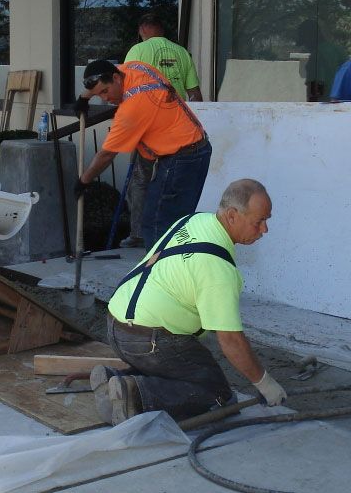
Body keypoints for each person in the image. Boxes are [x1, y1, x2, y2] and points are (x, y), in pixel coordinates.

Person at [90, 179, 287, 424]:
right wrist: (265, 384)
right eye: (259, 222)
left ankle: (114, 379)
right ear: (233, 215)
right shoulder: (218, 270)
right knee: (217, 397)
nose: (264, 229)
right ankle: (133, 393)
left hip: (115, 325)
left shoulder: (194, 220)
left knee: (183, 370)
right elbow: (231, 341)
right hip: (147, 341)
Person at [73, 58, 211, 248]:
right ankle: (170, 267)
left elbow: (106, 154)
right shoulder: (134, 68)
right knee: (168, 221)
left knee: (158, 224)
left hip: (183, 160)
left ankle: (160, 272)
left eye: (105, 92)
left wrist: (84, 181)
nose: (105, 98)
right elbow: (101, 76)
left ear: (116, 78)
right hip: (192, 150)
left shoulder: (132, 108)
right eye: (98, 95)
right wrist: (84, 98)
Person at [119, 12, 204, 249]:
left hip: (147, 129)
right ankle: (170, 235)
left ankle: (138, 234)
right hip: (177, 131)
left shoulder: (137, 51)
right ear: (162, 30)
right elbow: (196, 95)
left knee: (140, 179)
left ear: (141, 31)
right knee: (170, 183)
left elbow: (125, 88)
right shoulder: (181, 53)